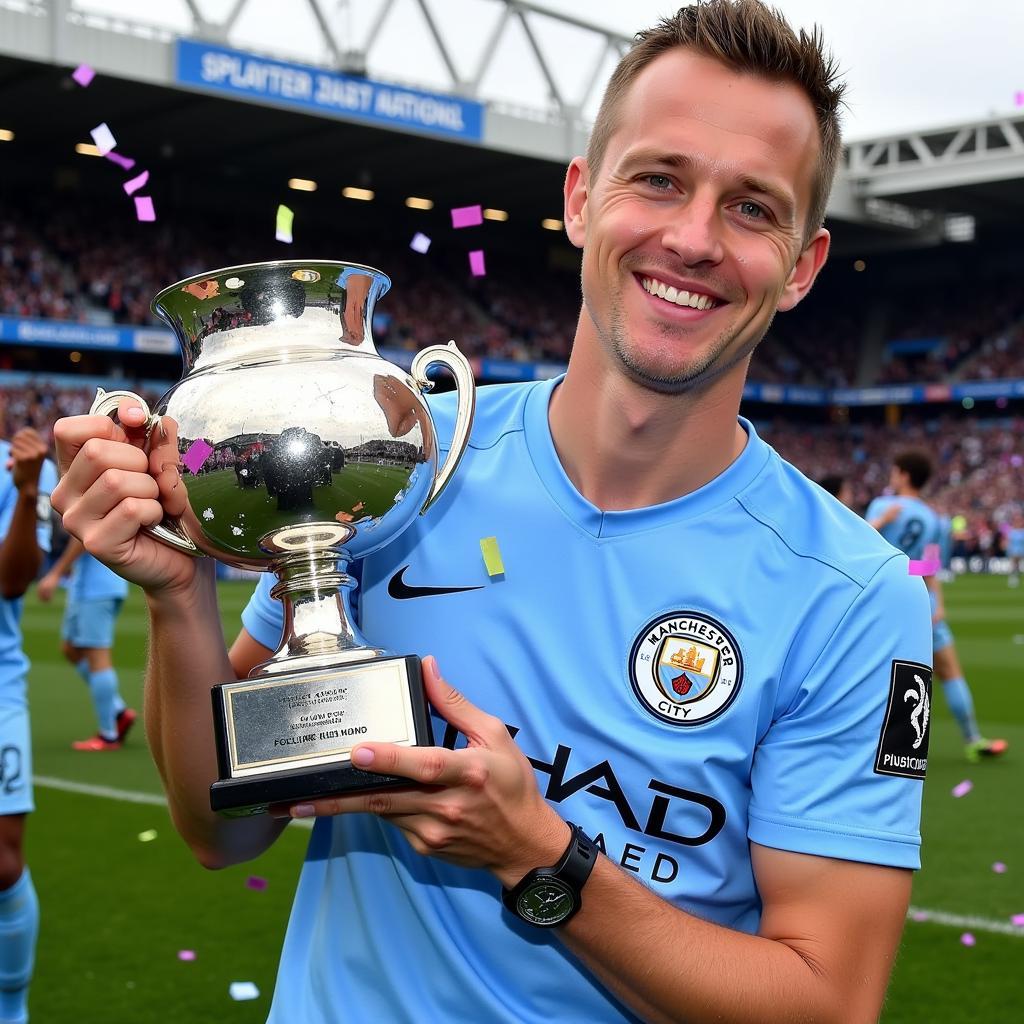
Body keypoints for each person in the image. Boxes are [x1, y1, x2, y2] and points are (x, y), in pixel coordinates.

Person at [52, 3, 934, 1021]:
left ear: (803, 266)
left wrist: (538, 855)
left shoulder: (857, 597)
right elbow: (228, 830)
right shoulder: (395, 455)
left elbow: (827, 1005)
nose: (691, 238)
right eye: (658, 179)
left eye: (751, 207)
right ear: (580, 195)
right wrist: (179, 597)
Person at [867, 449, 1007, 764]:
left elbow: (860, 546)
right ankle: (973, 739)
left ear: (903, 474)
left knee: (883, 675)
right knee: (949, 670)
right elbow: (927, 566)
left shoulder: (883, 506)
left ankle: (883, 748)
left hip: (887, 598)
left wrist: (880, 522)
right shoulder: (933, 518)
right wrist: (938, 603)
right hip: (922, 599)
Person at [0, 427, 57, 1024]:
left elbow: (11, 580)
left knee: (3, 865)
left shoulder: (20, 465)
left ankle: (11, 1009)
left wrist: (21, 493)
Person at [36, 538, 135, 751]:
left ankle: (108, 736)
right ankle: (117, 712)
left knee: (97, 656)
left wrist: (55, 573)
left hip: (96, 587)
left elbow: (83, 538)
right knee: (71, 649)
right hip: (90, 584)